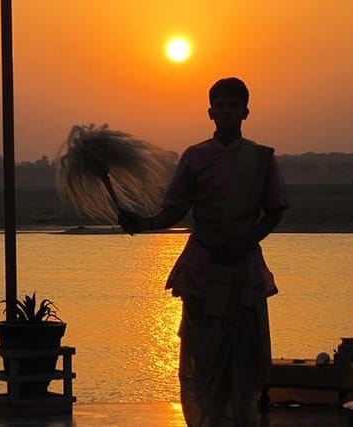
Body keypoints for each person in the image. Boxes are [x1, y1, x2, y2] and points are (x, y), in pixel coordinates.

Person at [119, 77, 288, 426]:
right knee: (204, 355)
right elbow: (175, 208)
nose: (227, 110)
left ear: (245, 112)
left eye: (233, 104)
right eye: (221, 105)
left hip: (243, 269)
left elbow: (275, 210)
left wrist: (245, 240)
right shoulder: (195, 158)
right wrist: (144, 223)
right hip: (203, 267)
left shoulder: (261, 158)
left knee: (244, 356)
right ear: (210, 112)